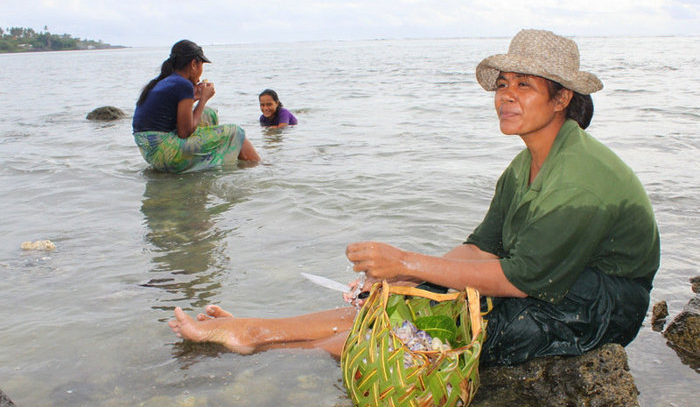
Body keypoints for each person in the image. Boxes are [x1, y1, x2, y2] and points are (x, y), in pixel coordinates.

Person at [169, 30, 660, 366]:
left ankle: (268, 343)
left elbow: (517, 278)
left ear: (561, 99)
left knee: (422, 331)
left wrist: (406, 260)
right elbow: (482, 245)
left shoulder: (579, 178)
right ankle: (256, 330)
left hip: (595, 305)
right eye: (503, 84)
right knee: (411, 299)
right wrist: (403, 276)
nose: (505, 96)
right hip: (547, 282)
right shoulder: (523, 166)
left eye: (524, 86)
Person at [133, 40, 260, 173]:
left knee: (209, 113)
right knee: (236, 132)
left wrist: (194, 98)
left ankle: (205, 165)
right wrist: (203, 99)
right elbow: (185, 132)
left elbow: (171, 115)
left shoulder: (166, 81)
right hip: (165, 153)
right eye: (201, 65)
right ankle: (259, 169)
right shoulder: (183, 84)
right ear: (194, 64)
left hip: (151, 152)